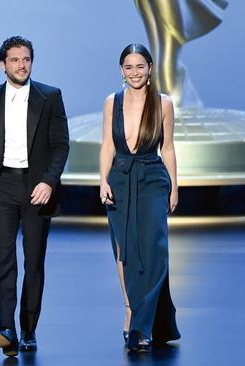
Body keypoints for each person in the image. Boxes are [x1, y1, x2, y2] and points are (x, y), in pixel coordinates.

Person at [0, 36, 69, 357]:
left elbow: (61, 144)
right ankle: (7, 328)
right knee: (3, 261)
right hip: (0, 187)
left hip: (37, 187)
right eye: (15, 60)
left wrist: (49, 182)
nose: (21, 65)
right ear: (3, 65)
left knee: (34, 262)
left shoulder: (50, 97)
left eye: (26, 59)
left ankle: (28, 329)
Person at [99, 43, 181, 352]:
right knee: (125, 250)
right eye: (128, 67)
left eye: (140, 66)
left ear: (150, 68)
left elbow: (168, 147)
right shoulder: (112, 102)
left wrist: (174, 187)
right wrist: (102, 180)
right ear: (121, 70)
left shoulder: (163, 103)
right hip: (119, 178)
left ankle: (142, 326)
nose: (135, 72)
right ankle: (132, 311)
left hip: (152, 178)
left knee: (154, 250)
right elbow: (107, 144)